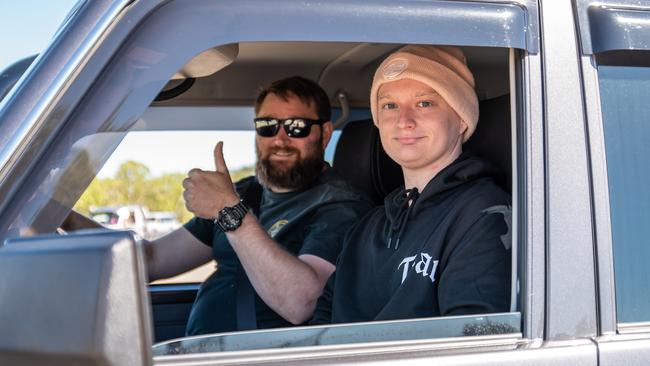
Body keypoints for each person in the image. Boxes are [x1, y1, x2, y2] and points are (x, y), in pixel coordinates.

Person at [63, 76, 372, 335]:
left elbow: (300, 304)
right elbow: (151, 260)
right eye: (267, 125)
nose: (279, 139)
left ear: (325, 133)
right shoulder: (245, 193)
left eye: (296, 127)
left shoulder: (341, 206)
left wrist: (229, 213)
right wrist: (62, 215)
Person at [311, 45, 512, 324]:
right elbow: (319, 330)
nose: (403, 121)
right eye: (390, 106)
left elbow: (474, 342)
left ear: (462, 120)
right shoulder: (366, 228)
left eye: (424, 103)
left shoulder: (484, 215)